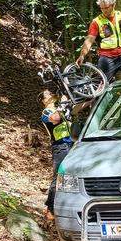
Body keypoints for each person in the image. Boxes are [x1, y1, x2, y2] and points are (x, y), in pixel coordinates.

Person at [75, 0, 121, 81]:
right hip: (107, 58)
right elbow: (89, 40)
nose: (104, 11)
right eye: (102, 8)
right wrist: (82, 55)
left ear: (113, 5)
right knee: (101, 85)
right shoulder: (97, 21)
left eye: (106, 8)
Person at [41, 89, 73, 218]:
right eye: (47, 93)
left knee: (72, 176)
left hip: (72, 145)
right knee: (58, 177)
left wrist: (91, 99)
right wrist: (63, 104)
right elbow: (55, 118)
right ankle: (50, 208)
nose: (50, 93)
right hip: (60, 147)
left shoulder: (61, 108)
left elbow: (76, 108)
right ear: (43, 100)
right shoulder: (46, 112)